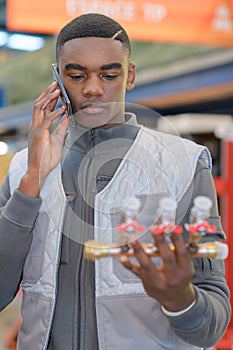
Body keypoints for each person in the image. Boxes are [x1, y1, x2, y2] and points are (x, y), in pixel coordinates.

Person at [0, 13, 230, 350]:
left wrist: (181, 300)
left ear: (130, 75)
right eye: (76, 75)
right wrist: (32, 182)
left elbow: (211, 327)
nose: (93, 88)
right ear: (56, 79)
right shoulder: (23, 169)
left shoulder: (183, 163)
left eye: (109, 74)